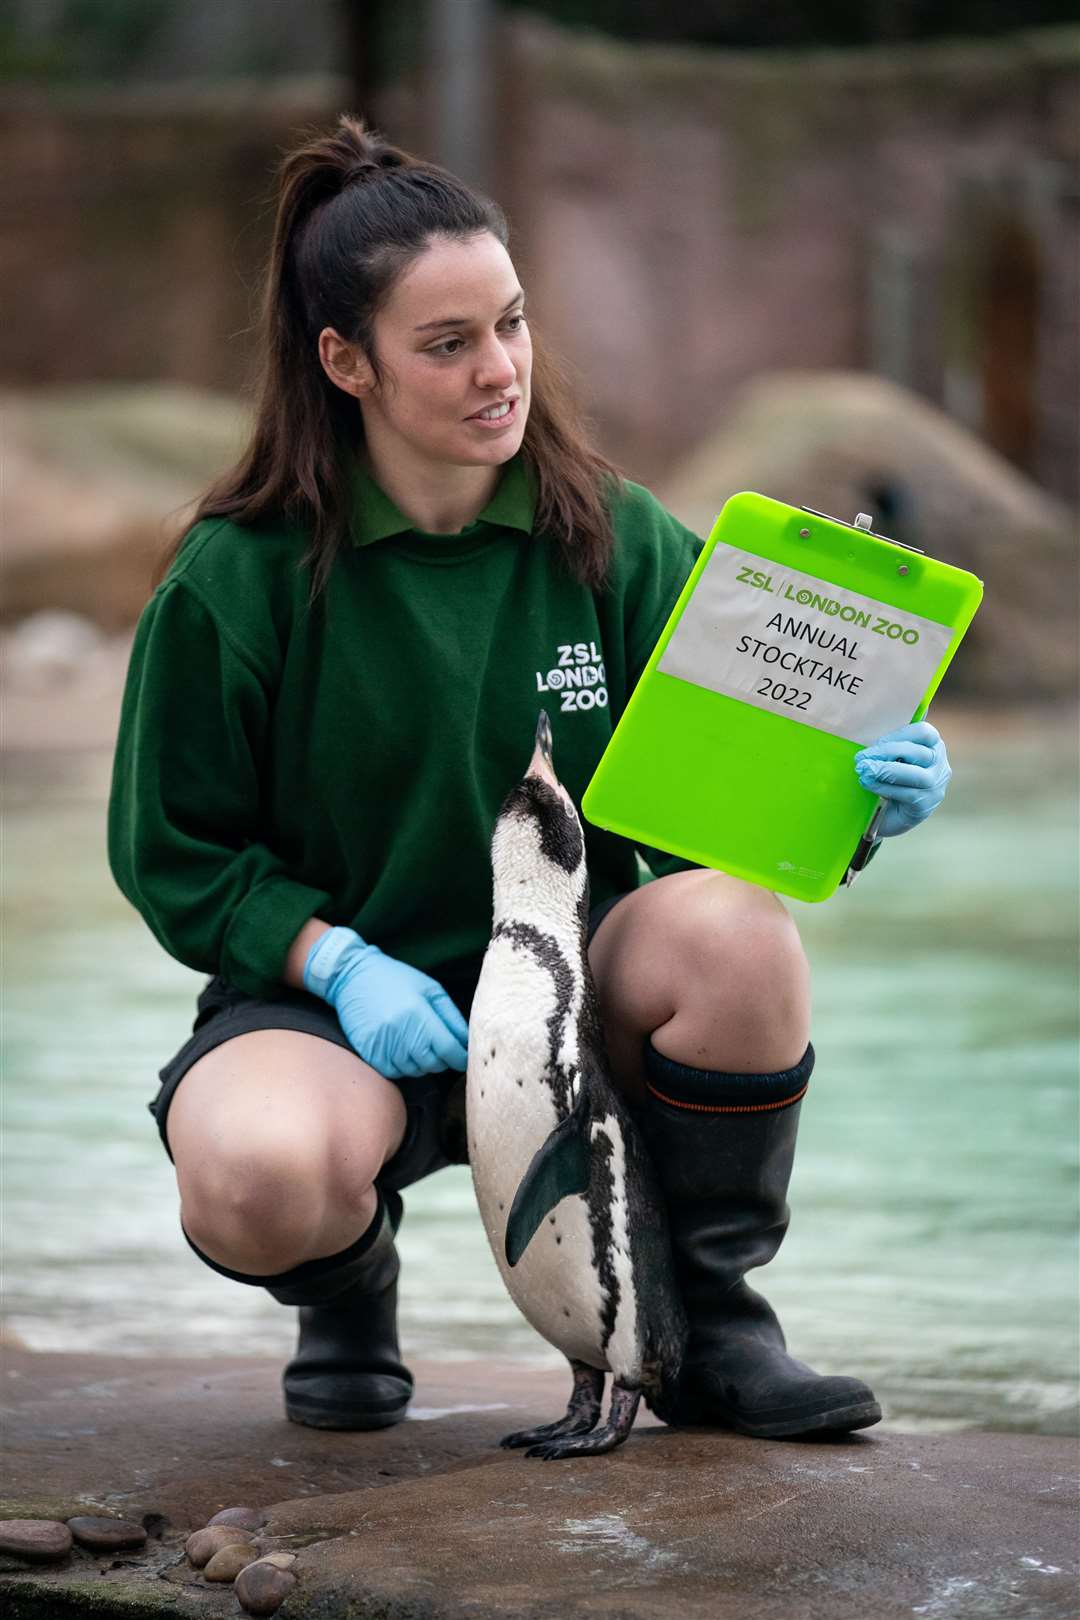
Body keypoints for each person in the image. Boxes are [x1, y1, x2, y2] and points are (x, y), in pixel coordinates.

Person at [108, 115, 952, 1439]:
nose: (498, 369)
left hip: (577, 1000)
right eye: (447, 344)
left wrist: (859, 800)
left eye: (510, 323)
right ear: (347, 362)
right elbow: (173, 854)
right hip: (341, 1021)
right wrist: (335, 965)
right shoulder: (238, 579)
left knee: (739, 932)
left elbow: (719, 816)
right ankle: (348, 1293)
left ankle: (712, 1329)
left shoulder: (615, 536)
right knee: (254, 1172)